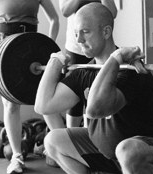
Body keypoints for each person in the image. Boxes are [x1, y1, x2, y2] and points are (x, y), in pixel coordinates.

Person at [34, 3, 153, 174]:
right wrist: (54, 63)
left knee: (126, 150)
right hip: (108, 153)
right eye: (76, 33)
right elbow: (44, 105)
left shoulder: (131, 72)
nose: (79, 40)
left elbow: (96, 108)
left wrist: (116, 59)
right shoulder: (84, 71)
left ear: (106, 31)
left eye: (85, 32)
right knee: (53, 140)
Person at [0, 0, 59, 174]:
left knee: (45, 100)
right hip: (4, 52)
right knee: (11, 105)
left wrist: (48, 48)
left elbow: (54, 19)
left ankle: (66, 149)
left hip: (32, 52)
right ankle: (16, 157)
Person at [45, 0, 117, 129]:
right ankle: (72, 134)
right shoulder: (78, 39)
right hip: (75, 49)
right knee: (75, 96)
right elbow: (65, 11)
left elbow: (112, 13)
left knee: (102, 88)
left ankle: (100, 132)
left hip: (99, 48)